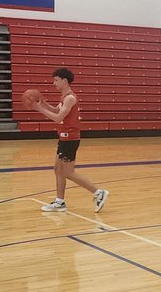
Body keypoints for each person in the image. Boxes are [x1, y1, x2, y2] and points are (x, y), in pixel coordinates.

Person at [32, 68, 110, 213]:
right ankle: (59, 202)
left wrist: (39, 109)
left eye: (56, 80)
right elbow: (56, 111)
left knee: (68, 172)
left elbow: (58, 118)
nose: (53, 83)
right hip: (63, 138)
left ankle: (99, 192)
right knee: (58, 169)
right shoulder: (64, 97)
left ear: (64, 80)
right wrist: (43, 104)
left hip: (70, 139)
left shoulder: (70, 98)